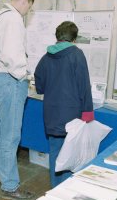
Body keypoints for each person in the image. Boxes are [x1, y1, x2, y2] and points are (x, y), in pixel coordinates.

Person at [0, 0, 35, 200]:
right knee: (11, 133)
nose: (27, 12)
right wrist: (25, 75)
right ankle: (10, 185)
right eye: (29, 8)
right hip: (9, 80)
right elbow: (13, 55)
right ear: (24, 1)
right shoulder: (14, 19)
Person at [34, 21, 94, 188]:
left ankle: (55, 188)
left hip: (52, 113)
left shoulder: (46, 57)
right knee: (71, 153)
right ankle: (65, 190)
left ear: (57, 37)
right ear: (74, 38)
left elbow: (39, 85)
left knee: (55, 152)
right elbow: (84, 85)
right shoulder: (77, 54)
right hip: (72, 114)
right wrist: (88, 112)